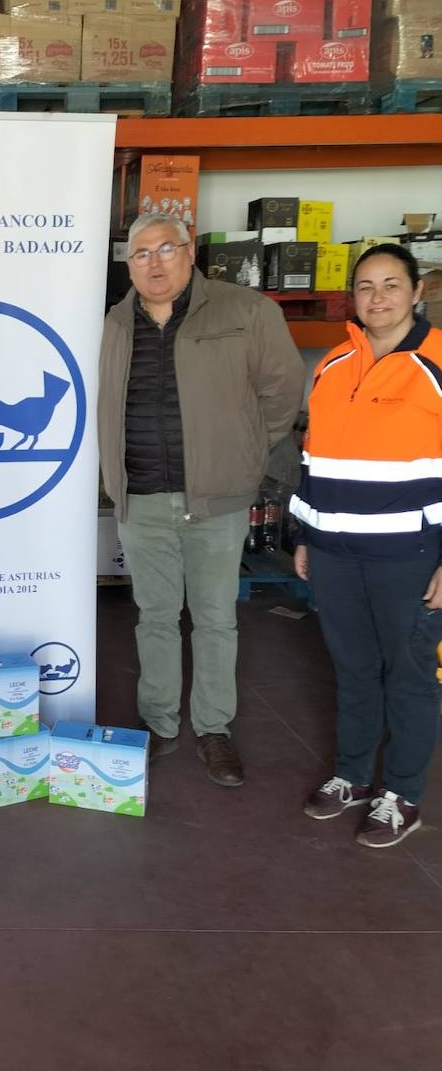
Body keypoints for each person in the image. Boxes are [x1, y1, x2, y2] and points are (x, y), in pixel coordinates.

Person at [98, 213, 305, 787]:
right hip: (142, 496)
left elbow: (283, 390)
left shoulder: (245, 311)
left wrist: (244, 453)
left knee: (215, 618)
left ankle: (214, 729)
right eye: (141, 254)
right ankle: (159, 722)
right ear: (130, 265)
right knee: (155, 617)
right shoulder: (117, 321)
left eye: (165, 249)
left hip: (215, 498)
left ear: (189, 253)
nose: (154, 263)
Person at [293, 243, 442, 848]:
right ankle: (353, 775)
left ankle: (402, 794)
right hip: (335, 552)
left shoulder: (436, 362)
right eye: (365, 286)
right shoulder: (334, 363)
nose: (377, 298)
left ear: (417, 292)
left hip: (410, 556)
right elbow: (315, 459)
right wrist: (307, 535)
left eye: (390, 285)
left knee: (408, 675)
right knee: (353, 669)